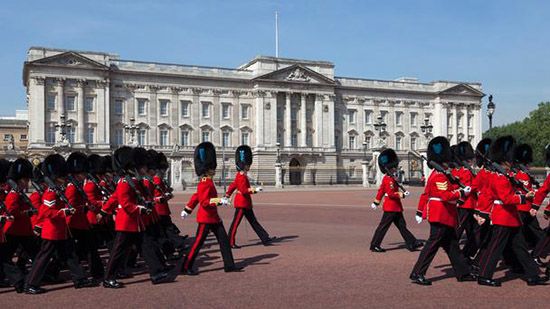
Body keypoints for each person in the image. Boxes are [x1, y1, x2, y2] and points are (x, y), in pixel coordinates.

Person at [476, 136, 547, 287]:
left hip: (511, 217)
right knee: (495, 248)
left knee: (520, 247)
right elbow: (507, 198)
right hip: (502, 216)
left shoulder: (505, 175)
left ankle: (532, 275)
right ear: (505, 159)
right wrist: (524, 197)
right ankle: (483, 275)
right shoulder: (500, 177)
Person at [25, 154, 95, 294]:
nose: (64, 179)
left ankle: (79, 279)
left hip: (62, 230)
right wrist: (64, 212)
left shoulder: (58, 190)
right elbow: (47, 212)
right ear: (56, 177)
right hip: (52, 231)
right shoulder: (50, 192)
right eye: (62, 177)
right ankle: (30, 284)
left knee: (70, 255)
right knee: (43, 258)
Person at [410, 136, 476, 285]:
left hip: (446, 215)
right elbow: (445, 195)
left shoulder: (442, 174)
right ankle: (417, 272)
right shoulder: (439, 176)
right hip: (440, 214)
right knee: (432, 245)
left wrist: (458, 188)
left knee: (452, 246)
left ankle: (463, 272)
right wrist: (462, 192)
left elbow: (448, 189)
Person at [102, 147, 171, 289]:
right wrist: (141, 208)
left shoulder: (134, 181)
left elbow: (137, 198)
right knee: (118, 252)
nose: (145, 169)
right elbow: (125, 204)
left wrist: (151, 203)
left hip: (137, 222)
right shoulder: (124, 183)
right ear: (134, 167)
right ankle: (108, 278)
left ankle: (156, 273)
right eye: (142, 167)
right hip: (126, 223)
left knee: (147, 246)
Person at [180, 142, 242, 275]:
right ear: (207, 169)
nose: (214, 169)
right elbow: (204, 202)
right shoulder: (204, 183)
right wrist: (220, 201)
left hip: (214, 218)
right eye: (212, 167)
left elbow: (196, 197)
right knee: (197, 243)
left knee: (224, 241)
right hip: (206, 218)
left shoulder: (208, 181)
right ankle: (185, 266)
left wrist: (188, 209)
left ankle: (229, 265)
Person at [369, 148, 422, 252]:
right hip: (391, 207)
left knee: (402, 226)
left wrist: (376, 202)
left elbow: (380, 191)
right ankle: (374, 245)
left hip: (395, 207)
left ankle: (412, 243)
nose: (395, 168)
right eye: (394, 167)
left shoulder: (391, 178)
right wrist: (402, 194)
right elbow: (391, 194)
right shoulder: (388, 179)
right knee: (383, 227)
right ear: (390, 167)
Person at [226, 145, 275, 249]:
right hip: (242, 203)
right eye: (248, 165)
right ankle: (230, 242)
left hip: (246, 203)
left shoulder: (241, 175)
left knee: (254, 222)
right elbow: (243, 190)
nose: (249, 167)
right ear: (245, 166)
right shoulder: (242, 176)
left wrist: (228, 194)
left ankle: (265, 238)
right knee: (235, 223)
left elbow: (233, 185)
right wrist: (254, 190)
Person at [512, 144, 545, 264]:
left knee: (532, 233)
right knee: (527, 234)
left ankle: (536, 253)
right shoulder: (522, 174)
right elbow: (527, 192)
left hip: (522, 207)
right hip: (524, 207)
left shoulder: (519, 173)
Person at [452, 142, 478, 260]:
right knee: (459, 230)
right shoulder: (466, 171)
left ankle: (466, 254)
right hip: (465, 205)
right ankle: (452, 248)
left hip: (469, 205)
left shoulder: (460, 171)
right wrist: (460, 200)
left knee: (473, 233)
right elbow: (467, 188)